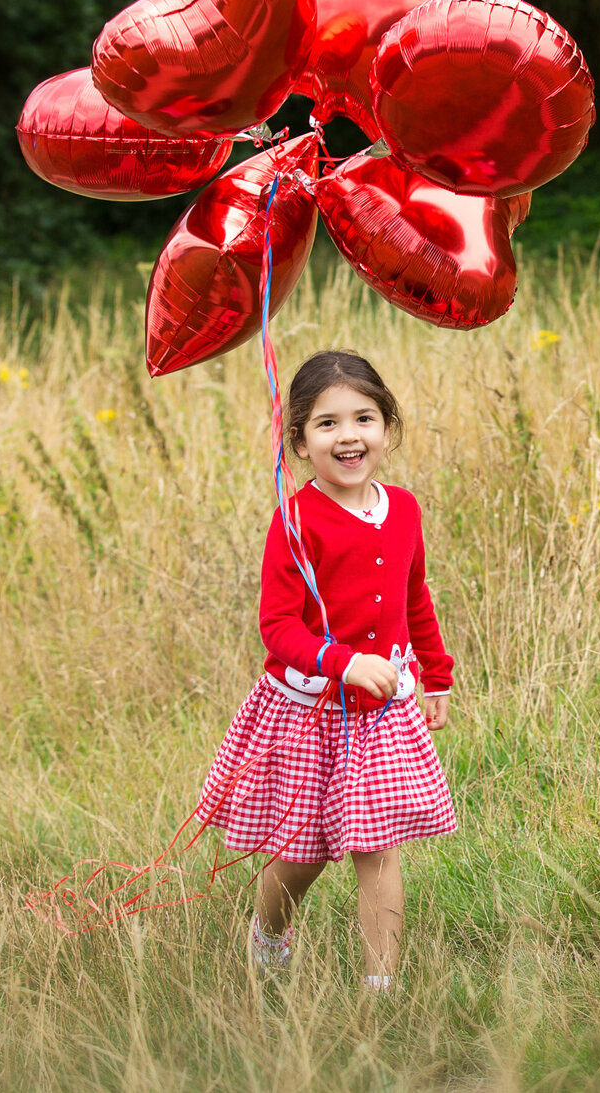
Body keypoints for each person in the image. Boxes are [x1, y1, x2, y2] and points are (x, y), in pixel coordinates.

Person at [196, 349, 456, 990]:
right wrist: (343, 662)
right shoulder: (293, 521)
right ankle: (269, 932)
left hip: (382, 711)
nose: (348, 436)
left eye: (364, 419)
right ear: (300, 441)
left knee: (377, 847)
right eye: (327, 423)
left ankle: (382, 989)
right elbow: (278, 629)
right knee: (303, 854)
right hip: (308, 710)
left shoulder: (405, 510)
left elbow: (413, 595)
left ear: (386, 429)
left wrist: (437, 672)